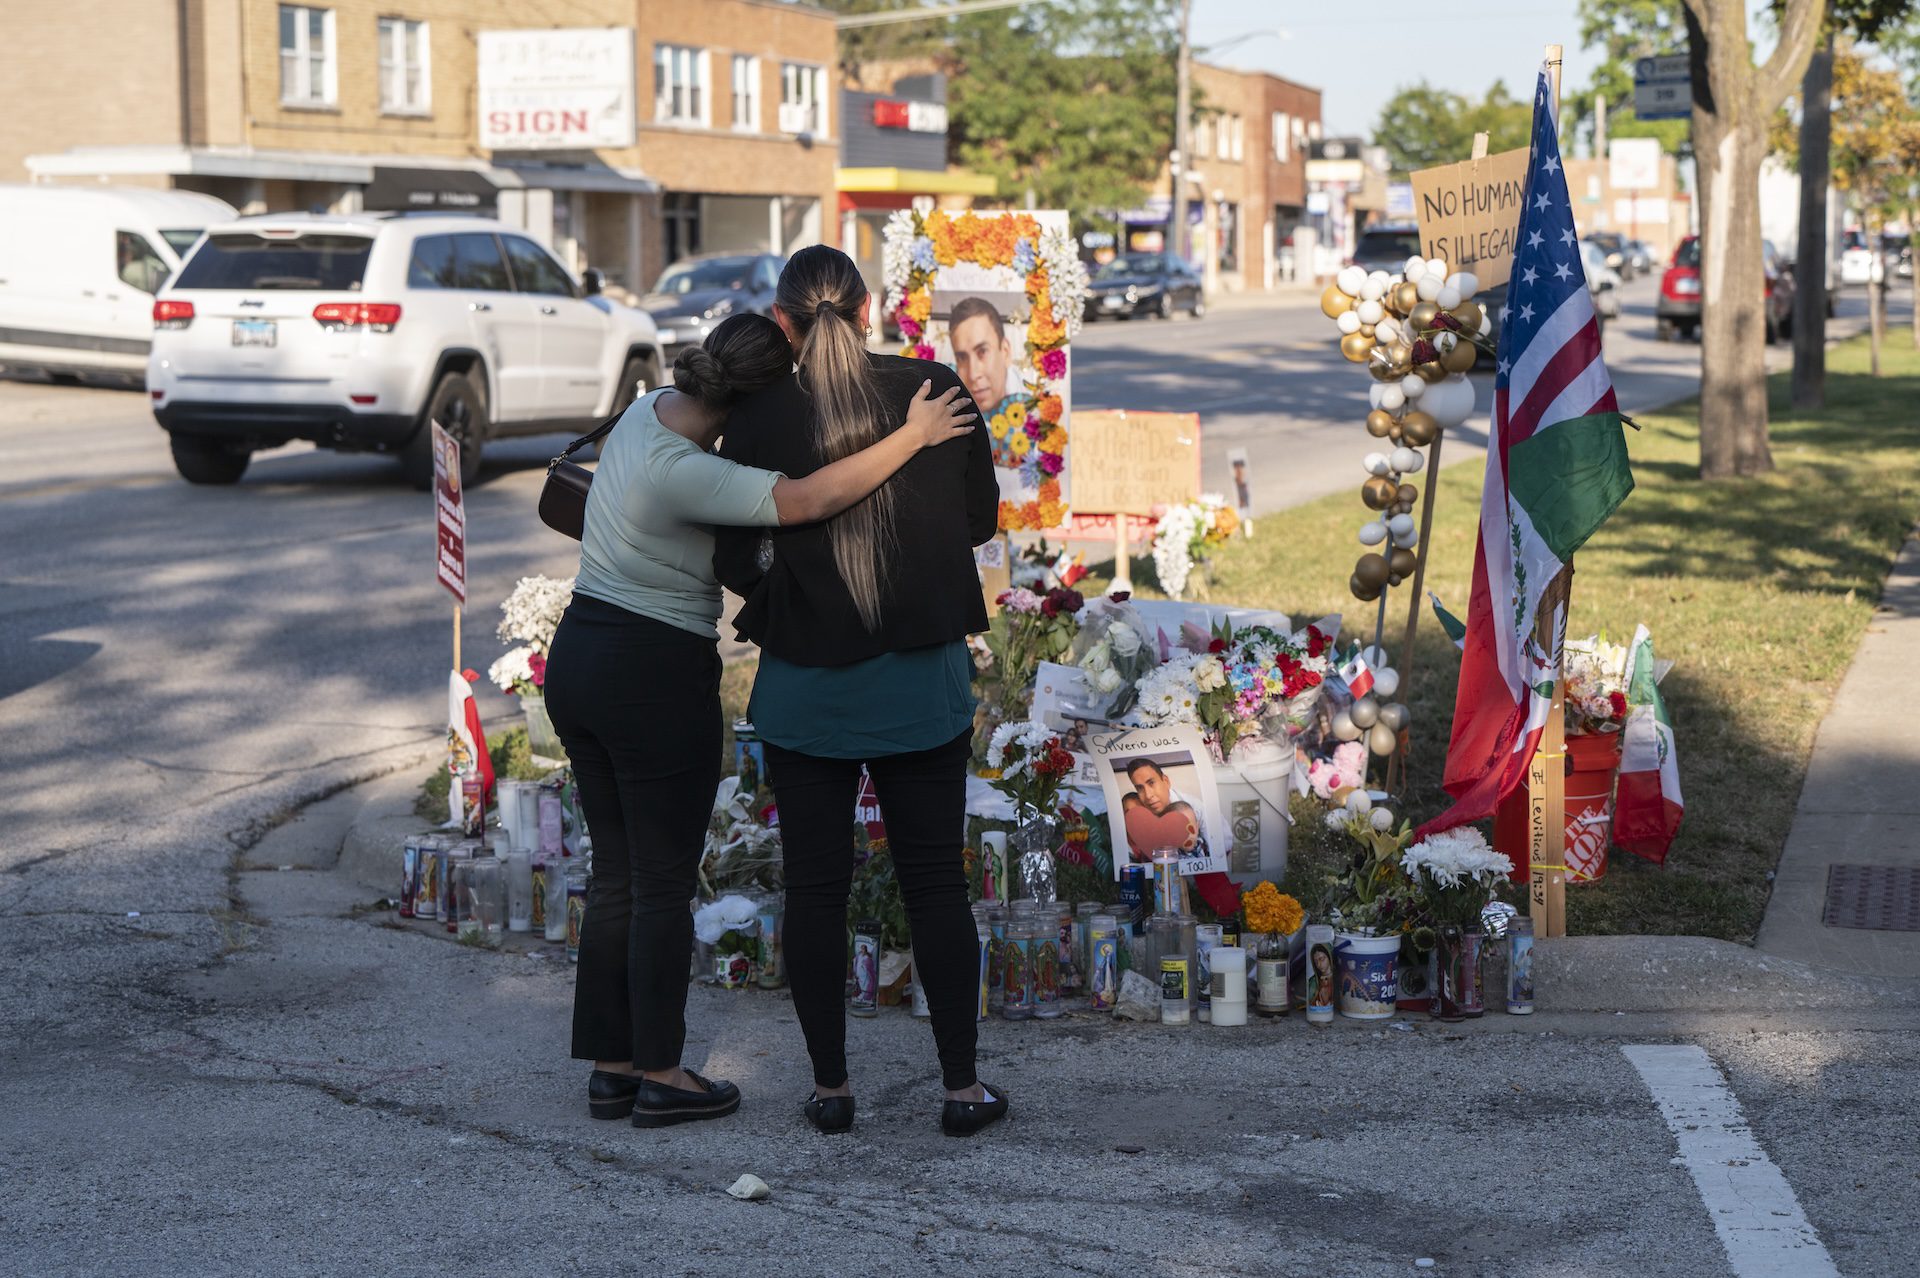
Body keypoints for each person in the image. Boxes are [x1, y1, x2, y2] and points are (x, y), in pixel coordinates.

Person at [545, 312, 976, 1130]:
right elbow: (811, 498)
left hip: (580, 654)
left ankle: (612, 1067)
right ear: (752, 400)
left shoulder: (647, 412)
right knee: (663, 878)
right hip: (649, 671)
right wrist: (914, 434)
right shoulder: (689, 471)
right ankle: (664, 1073)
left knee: (618, 872)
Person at [713, 245, 1007, 1138]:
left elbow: (734, 558)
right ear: (871, 306)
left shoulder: (761, 416)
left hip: (806, 687)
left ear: (784, 324)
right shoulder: (935, 389)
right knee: (934, 888)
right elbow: (980, 519)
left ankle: (831, 1090)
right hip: (921, 681)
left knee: (814, 891)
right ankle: (961, 1090)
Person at [948, 296, 1033, 469]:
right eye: (962, 358)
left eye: (983, 352)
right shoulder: (947, 403)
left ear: (1006, 351)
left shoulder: (1034, 408)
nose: (973, 374)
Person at [1119, 758, 1210, 862]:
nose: (1148, 795)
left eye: (1151, 783)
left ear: (1166, 781)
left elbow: (1222, 848)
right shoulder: (1142, 814)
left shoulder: (1195, 808)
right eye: (1140, 788)